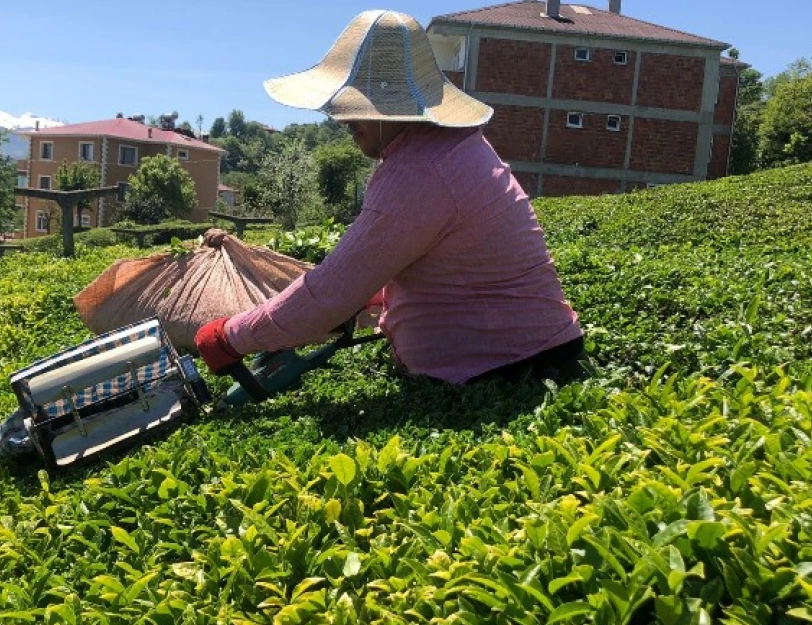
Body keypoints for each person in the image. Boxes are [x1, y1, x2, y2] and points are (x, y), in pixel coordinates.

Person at [196, 9, 589, 387]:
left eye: (355, 106)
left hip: (510, 365)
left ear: (390, 107)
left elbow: (329, 295)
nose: (343, 120)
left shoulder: (419, 174)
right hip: (532, 349)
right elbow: (435, 267)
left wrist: (227, 338)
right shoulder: (448, 150)